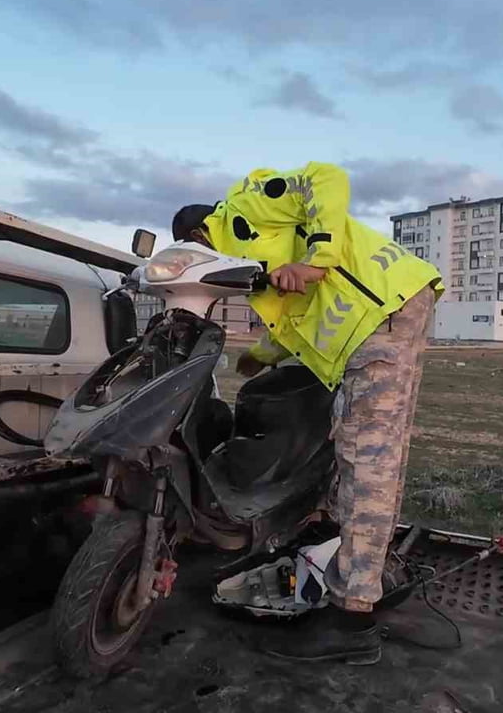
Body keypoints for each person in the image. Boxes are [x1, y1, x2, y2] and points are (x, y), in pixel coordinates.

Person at [171, 162, 442, 665]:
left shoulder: (244, 206)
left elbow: (326, 177)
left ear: (197, 235)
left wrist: (319, 259)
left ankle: (351, 619)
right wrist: (264, 356)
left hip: (379, 309)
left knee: (368, 461)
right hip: (382, 313)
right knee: (368, 452)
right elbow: (300, 312)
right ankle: (345, 551)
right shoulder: (254, 268)